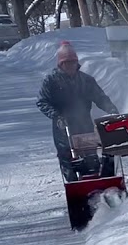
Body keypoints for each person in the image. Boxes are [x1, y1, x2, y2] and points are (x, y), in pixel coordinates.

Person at [36, 40, 120, 178]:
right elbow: (42, 101)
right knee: (67, 158)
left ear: (77, 63)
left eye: (73, 62)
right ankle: (73, 185)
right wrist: (56, 115)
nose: (70, 66)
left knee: (90, 154)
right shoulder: (51, 81)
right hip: (63, 126)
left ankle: (95, 181)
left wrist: (111, 110)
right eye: (67, 63)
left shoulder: (86, 80)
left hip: (84, 123)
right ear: (61, 64)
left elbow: (100, 97)